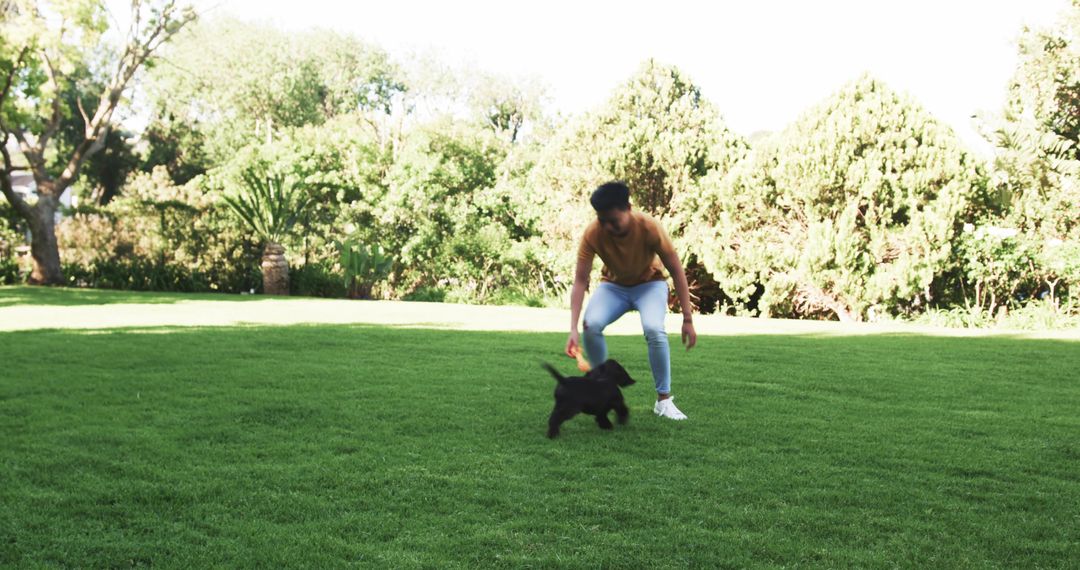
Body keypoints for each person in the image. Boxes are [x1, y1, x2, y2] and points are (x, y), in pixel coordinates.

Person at [565, 181, 697, 420]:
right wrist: (573, 328)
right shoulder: (593, 232)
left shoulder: (650, 227)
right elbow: (580, 281)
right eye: (602, 220)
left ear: (628, 207)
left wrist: (687, 318)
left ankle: (664, 401)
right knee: (591, 325)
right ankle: (600, 388)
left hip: (649, 285)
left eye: (613, 220)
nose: (607, 226)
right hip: (613, 287)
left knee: (654, 329)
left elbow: (677, 271)